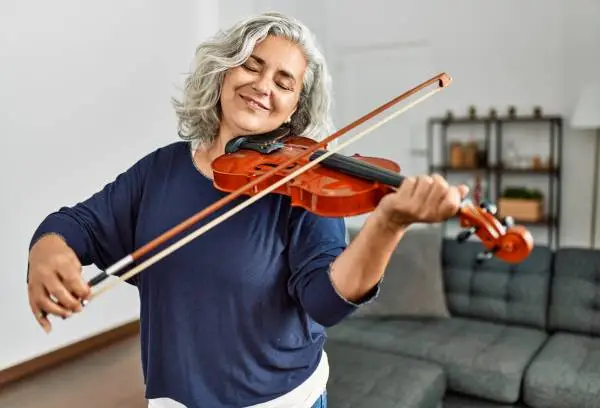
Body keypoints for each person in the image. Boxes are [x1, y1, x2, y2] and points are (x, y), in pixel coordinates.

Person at [26, 11, 468, 408]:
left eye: (284, 81)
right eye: (251, 66)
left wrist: (388, 224)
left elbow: (325, 302)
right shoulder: (161, 170)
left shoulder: (304, 183)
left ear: (296, 108)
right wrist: (48, 250)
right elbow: (76, 224)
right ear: (222, 73)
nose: (262, 86)